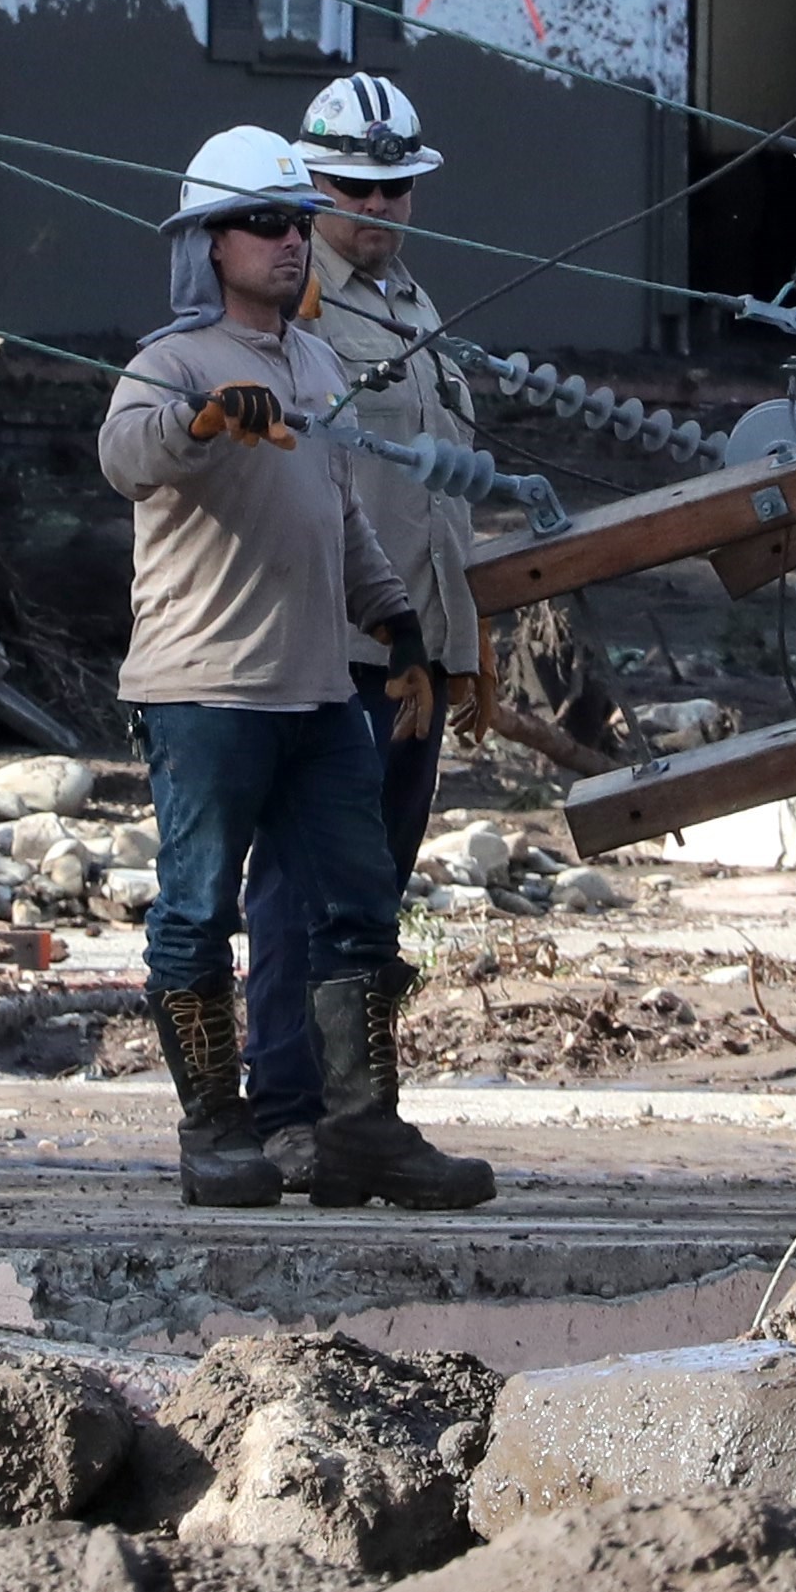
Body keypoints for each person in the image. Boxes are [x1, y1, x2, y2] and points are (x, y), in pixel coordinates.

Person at [96, 124, 497, 1214]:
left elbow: (345, 515)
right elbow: (126, 455)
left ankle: (361, 1129)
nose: (291, 240)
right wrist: (203, 420)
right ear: (208, 242)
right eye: (265, 223)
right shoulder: (168, 363)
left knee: (362, 904)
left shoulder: (314, 363)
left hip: (324, 687)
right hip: (206, 692)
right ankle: (216, 1135)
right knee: (196, 912)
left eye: (297, 223)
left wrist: (403, 631)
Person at [237, 73, 480, 1160]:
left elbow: (435, 502)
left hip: (415, 652)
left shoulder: (415, 307)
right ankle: (286, 1106)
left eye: (396, 190)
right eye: (354, 189)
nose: (377, 211)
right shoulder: (289, 302)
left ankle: (355, 1111)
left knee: (374, 893)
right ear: (309, 185)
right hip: (325, 650)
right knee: (299, 888)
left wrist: (469, 644)